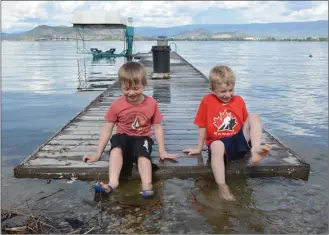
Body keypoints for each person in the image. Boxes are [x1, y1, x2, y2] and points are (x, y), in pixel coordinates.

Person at [83, 61, 178, 197]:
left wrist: (162, 151)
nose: (131, 93)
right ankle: (112, 183)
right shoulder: (117, 104)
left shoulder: (151, 103)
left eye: (136, 88)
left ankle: (147, 185)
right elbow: (107, 128)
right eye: (126, 89)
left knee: (142, 154)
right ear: (121, 86)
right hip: (123, 138)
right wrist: (97, 154)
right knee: (116, 146)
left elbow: (157, 127)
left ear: (144, 85)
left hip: (142, 138)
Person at [183, 65, 271, 201]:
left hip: (237, 142)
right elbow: (202, 126)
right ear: (212, 89)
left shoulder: (239, 100)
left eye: (231, 90)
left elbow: (247, 124)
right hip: (220, 146)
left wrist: (253, 139)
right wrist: (199, 148)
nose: (228, 95)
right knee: (217, 145)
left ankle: (255, 150)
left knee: (254, 117)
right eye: (223, 91)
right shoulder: (207, 101)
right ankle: (223, 186)